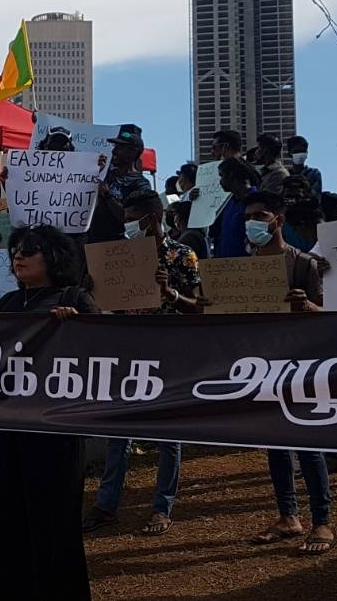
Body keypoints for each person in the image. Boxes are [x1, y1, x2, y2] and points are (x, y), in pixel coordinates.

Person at [0, 225, 96, 601]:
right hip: (5, 427)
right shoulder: (6, 305)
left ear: (52, 256)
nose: (19, 256)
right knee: (9, 515)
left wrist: (77, 330)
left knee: (55, 518)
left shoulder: (76, 299)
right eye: (15, 249)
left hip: (54, 428)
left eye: (29, 250)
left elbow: (104, 352)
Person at [83, 190, 195, 540]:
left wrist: (173, 295)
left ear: (152, 218)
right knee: (119, 432)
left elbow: (202, 306)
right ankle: (107, 504)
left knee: (167, 437)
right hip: (129, 353)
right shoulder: (120, 257)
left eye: (133, 218)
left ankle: (162, 506)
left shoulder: (181, 256)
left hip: (170, 354)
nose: (128, 225)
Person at [237, 192, 335, 554]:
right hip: (266, 364)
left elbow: (330, 314)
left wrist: (307, 305)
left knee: (309, 446)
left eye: (259, 214)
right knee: (277, 445)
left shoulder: (304, 264)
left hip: (304, 363)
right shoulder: (240, 270)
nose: (252, 222)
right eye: (248, 216)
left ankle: (322, 521)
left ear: (278, 219)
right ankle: (288, 517)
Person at [88, 124, 151, 244]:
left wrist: (107, 196)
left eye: (120, 147)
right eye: (115, 146)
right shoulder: (106, 173)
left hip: (117, 249)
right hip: (92, 242)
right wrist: (95, 172)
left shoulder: (141, 185)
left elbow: (128, 219)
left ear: (133, 152)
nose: (114, 151)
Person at [209, 158, 261, 258]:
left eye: (222, 176)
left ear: (231, 175)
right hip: (226, 267)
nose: (220, 181)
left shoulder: (257, 202)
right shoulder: (228, 203)